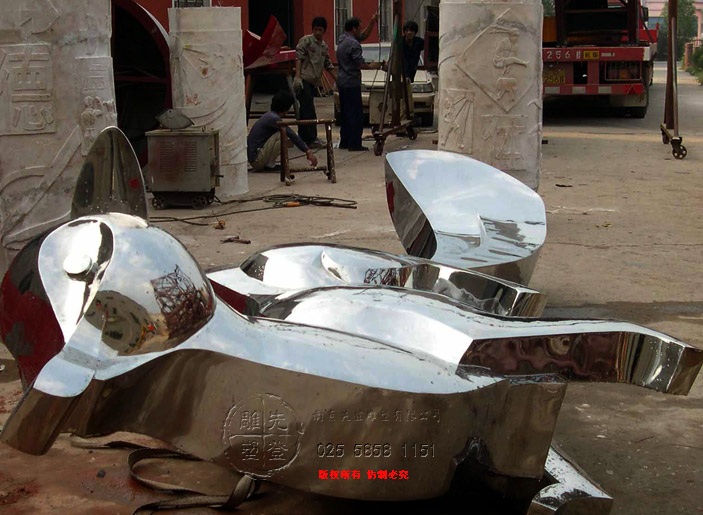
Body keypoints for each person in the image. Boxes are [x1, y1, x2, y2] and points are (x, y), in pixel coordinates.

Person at [336, 15, 382, 151]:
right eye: (359, 28)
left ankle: (344, 142)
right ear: (354, 29)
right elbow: (360, 64)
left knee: (345, 114)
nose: (360, 31)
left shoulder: (342, 39)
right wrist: (373, 65)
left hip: (342, 82)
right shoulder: (354, 44)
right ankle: (355, 144)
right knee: (355, 115)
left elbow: (362, 36)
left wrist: (372, 22)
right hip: (352, 83)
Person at [247, 90, 318, 172]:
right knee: (282, 134)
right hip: (256, 160)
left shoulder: (270, 116)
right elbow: (291, 134)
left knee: (282, 132)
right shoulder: (274, 119)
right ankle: (270, 165)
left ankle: (268, 163)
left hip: (255, 156)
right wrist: (307, 151)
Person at [294, 17, 337, 148]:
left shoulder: (324, 46)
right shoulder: (306, 41)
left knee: (304, 111)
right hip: (304, 80)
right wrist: (297, 77)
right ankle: (311, 139)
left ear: (324, 31)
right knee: (309, 111)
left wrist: (337, 80)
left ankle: (303, 139)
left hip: (314, 82)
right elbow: (298, 57)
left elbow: (328, 64)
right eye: (316, 29)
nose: (317, 32)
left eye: (320, 30)